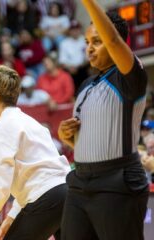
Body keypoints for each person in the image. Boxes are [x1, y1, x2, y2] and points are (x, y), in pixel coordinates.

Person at [58, 1, 149, 239]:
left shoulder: (131, 76)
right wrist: (67, 137)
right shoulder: (86, 86)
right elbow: (89, 141)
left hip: (117, 182)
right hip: (80, 182)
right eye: (87, 42)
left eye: (97, 42)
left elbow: (114, 41)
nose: (89, 48)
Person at [0, 65, 70, 240]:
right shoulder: (31, 122)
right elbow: (33, 177)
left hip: (46, 197)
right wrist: (11, 217)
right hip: (68, 193)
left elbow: (0, 188)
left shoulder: (0, 128)